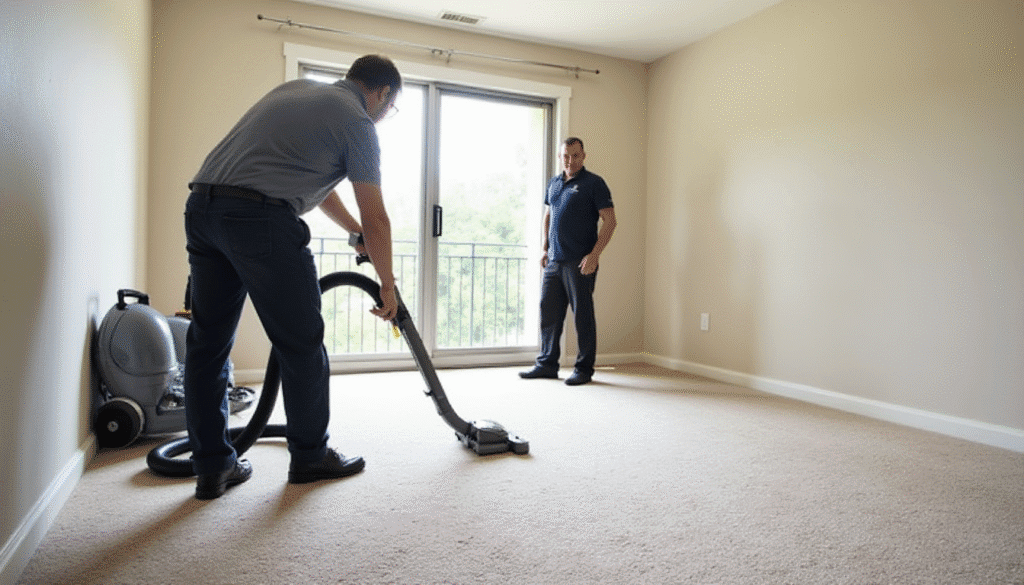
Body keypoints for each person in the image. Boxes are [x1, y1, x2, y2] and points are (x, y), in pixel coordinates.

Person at [183, 55, 401, 499]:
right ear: (381, 94)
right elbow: (376, 217)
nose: (383, 115)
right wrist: (388, 284)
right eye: (389, 107)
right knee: (301, 342)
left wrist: (352, 233)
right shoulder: (358, 122)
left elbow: (321, 191)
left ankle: (212, 467)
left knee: (207, 344)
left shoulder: (295, 92)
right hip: (259, 220)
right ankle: (309, 455)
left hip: (203, 210)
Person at [520, 137, 616, 386]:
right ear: (561, 156)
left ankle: (584, 369)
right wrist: (544, 249)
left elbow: (610, 221)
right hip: (554, 261)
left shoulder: (594, 184)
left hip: (579, 262)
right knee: (548, 313)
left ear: (583, 156)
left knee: (582, 315)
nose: (570, 160)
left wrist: (594, 255)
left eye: (575, 155)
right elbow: (548, 216)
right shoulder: (553, 183)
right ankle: (547, 364)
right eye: (566, 156)